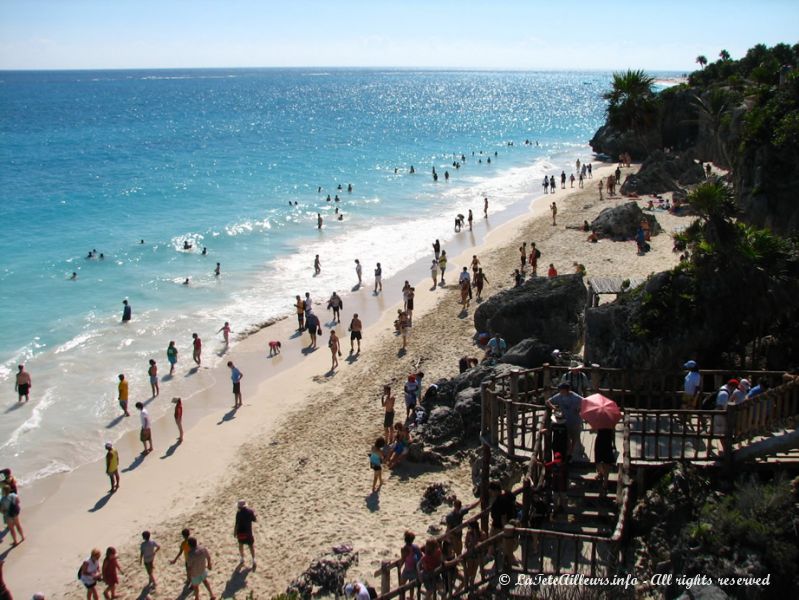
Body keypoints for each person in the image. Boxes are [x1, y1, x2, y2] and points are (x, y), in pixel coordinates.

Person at [546, 382, 584, 459]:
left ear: (568, 390)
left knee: (574, 437)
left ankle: (571, 452)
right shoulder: (559, 396)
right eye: (560, 390)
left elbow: (584, 401)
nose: (561, 392)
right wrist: (554, 407)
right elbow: (548, 401)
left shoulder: (575, 397)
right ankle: (568, 454)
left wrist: (579, 408)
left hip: (575, 420)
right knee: (566, 437)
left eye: (563, 390)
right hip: (564, 421)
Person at [234, 500, 257, 570]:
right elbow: (255, 520)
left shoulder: (238, 513)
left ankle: (242, 559)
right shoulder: (250, 512)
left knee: (241, 545)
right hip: (248, 533)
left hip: (240, 532)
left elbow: (236, 524)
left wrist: (235, 532)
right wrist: (254, 514)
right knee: (251, 546)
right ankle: (253, 559)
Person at [399, 531, 422, 598]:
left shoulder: (404, 549)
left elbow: (403, 559)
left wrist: (400, 566)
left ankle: (402, 597)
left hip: (407, 569)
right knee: (411, 585)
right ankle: (411, 597)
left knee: (402, 585)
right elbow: (420, 556)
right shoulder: (415, 547)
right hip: (413, 569)